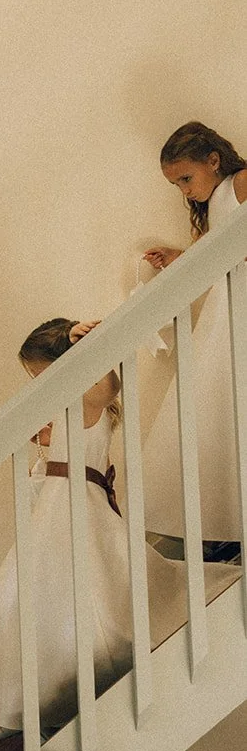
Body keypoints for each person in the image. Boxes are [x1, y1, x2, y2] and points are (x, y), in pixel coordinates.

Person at [0, 319, 236, 736]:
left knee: (76, 600)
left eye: (44, 375)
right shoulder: (64, 412)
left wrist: (89, 346)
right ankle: (24, 702)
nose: (39, 386)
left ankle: (43, 701)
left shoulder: (86, 401)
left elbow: (105, 387)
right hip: (58, 512)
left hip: (76, 508)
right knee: (38, 602)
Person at [142, 121, 247, 546]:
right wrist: (181, 256)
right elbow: (221, 251)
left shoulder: (241, 182)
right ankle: (224, 526)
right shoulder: (217, 203)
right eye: (176, 185)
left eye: (186, 178)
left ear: (214, 161)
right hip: (229, 304)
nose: (185, 191)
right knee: (218, 403)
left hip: (239, 301)